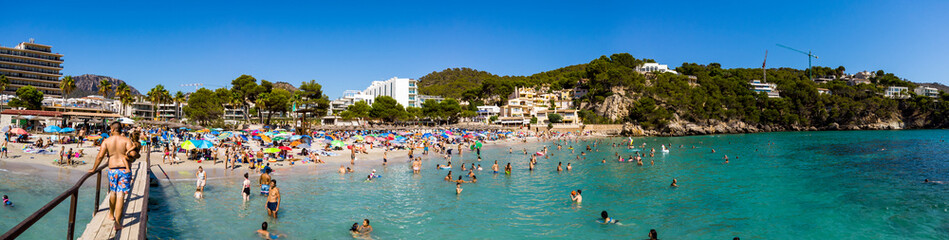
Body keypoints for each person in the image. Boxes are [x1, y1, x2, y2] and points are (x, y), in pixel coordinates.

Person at [89, 122, 137, 231]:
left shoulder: (106, 141)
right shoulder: (126, 140)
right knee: (121, 195)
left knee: (113, 192)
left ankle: (111, 214)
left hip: (112, 170)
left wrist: (94, 169)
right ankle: (118, 223)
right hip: (124, 170)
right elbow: (133, 155)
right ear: (121, 130)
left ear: (112, 129)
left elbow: (100, 156)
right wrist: (128, 156)